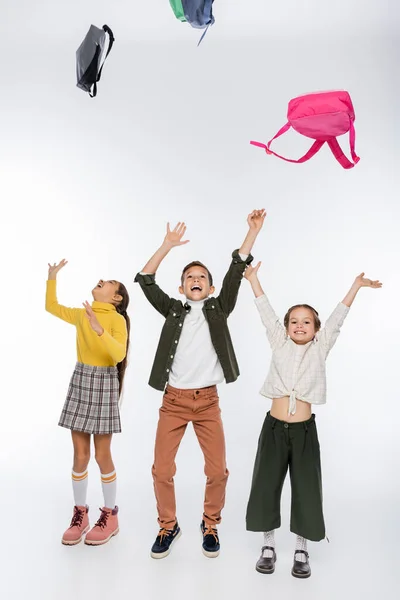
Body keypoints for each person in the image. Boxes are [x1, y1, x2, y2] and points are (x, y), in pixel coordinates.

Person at [134, 211, 265, 559]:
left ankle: (210, 523)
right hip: (173, 402)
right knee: (162, 469)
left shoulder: (219, 308)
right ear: (181, 287)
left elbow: (236, 267)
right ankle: (168, 525)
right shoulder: (173, 309)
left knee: (217, 470)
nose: (196, 279)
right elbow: (145, 279)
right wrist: (166, 245)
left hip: (207, 402)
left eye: (202, 277)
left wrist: (250, 233)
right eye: (189, 277)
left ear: (211, 287)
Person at [244, 260, 382, 578]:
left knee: (305, 488)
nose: (300, 326)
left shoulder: (320, 349)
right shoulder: (279, 343)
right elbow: (266, 314)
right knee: (266, 484)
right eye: (294, 321)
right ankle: (268, 545)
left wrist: (355, 287)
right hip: (274, 429)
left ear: (316, 329)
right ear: (287, 326)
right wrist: (253, 279)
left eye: (307, 322)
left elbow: (336, 320)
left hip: (304, 432)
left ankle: (301, 547)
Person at [45, 259, 130, 546]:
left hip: (105, 382)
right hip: (82, 379)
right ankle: (80, 514)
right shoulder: (83, 314)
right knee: (80, 455)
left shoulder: (117, 319)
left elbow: (118, 355)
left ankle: (110, 514)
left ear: (116, 298)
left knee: (102, 456)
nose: (102, 281)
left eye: (109, 282)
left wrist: (99, 329)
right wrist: (52, 278)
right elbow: (52, 307)